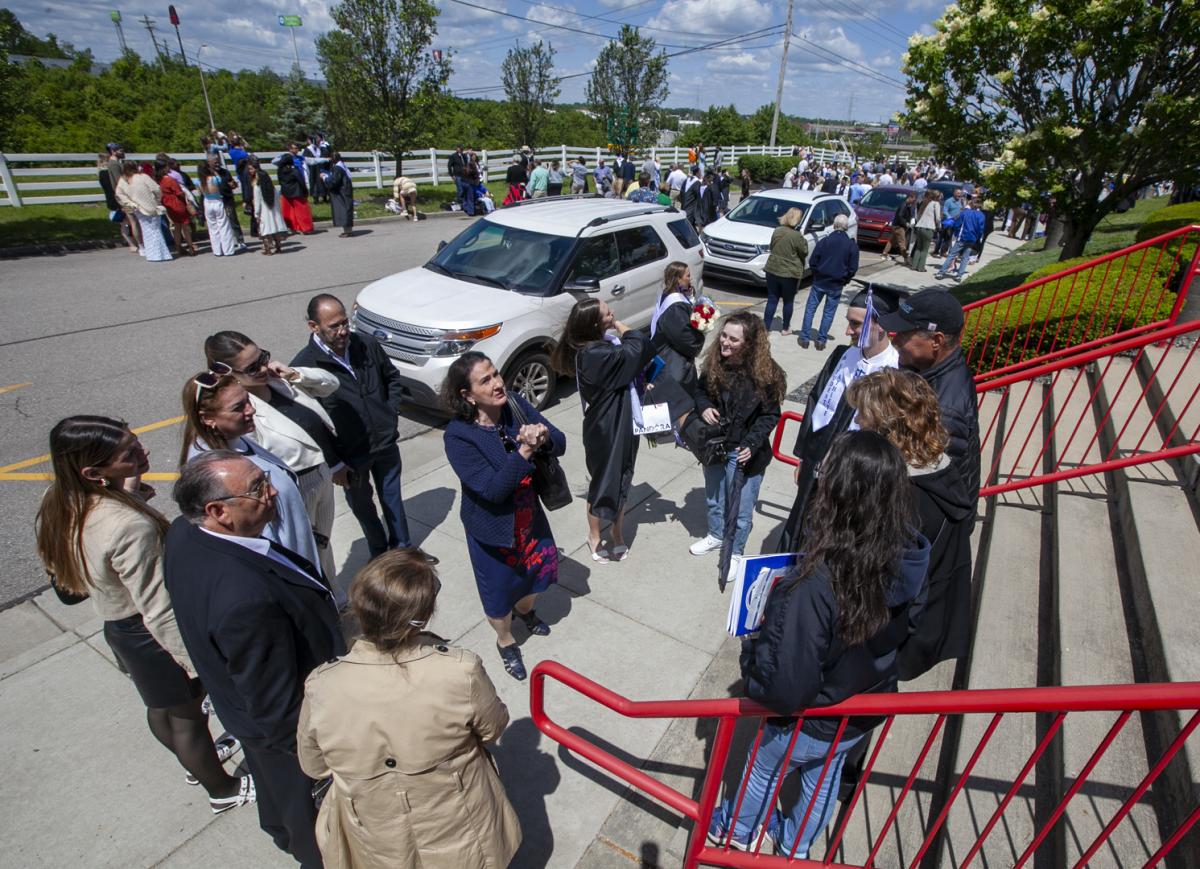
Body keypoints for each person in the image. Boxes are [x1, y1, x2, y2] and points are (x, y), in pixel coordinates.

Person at [707, 431, 930, 857]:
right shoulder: (909, 553)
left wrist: (754, 657)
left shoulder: (815, 585)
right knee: (823, 777)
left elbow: (786, 688)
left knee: (763, 768)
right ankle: (797, 847)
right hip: (863, 706)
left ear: (841, 494)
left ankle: (738, 831)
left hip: (813, 715)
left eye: (827, 471)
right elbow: (910, 625)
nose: (819, 476)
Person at [34, 417, 252, 815]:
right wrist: (194, 661)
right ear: (93, 472)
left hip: (119, 627)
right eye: (129, 453)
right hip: (151, 632)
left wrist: (131, 496)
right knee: (187, 716)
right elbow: (158, 604)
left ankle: (195, 764)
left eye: (137, 443)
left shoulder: (61, 500)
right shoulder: (129, 527)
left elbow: (72, 585)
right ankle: (222, 788)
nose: (143, 452)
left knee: (161, 708)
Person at [165, 452, 345, 869]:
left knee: (274, 792)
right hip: (285, 729)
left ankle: (280, 830)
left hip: (240, 707)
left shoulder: (183, 533)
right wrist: (316, 757)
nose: (272, 492)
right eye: (258, 488)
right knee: (307, 812)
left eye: (266, 479)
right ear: (217, 511)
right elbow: (278, 707)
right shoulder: (246, 600)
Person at [298, 550, 521, 868]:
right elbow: (493, 727)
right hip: (459, 820)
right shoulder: (460, 669)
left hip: (375, 834)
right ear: (425, 613)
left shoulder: (322, 684)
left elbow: (314, 764)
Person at [442, 353, 566, 680]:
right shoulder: (458, 436)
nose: (498, 383)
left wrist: (544, 437)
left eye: (496, 374)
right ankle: (505, 640)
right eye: (486, 380)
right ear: (466, 395)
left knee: (536, 577)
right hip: (492, 528)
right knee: (498, 594)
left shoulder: (514, 404)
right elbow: (493, 491)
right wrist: (524, 450)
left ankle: (526, 613)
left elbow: (561, 442)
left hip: (528, 518)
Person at [846, 369, 974, 680]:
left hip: (889, 642)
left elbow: (892, 588)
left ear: (890, 426)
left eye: (864, 415)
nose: (858, 423)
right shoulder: (937, 472)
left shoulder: (906, 500)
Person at [203, 331, 347, 586]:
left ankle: (336, 596)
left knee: (324, 544)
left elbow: (331, 384)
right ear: (229, 375)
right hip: (294, 485)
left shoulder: (278, 380)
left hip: (320, 475)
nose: (262, 367)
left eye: (263, 357)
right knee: (304, 551)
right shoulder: (245, 412)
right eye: (251, 367)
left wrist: (294, 373)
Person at [292, 294, 429, 562]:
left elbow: (391, 377)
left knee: (392, 499)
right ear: (313, 326)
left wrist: (389, 413)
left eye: (344, 322)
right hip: (350, 458)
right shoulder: (305, 367)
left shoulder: (365, 344)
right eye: (334, 326)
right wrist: (334, 464)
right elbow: (311, 424)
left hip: (385, 444)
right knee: (363, 508)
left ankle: (403, 551)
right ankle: (379, 555)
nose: (343, 331)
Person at [778, 285, 906, 552]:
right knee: (801, 518)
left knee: (832, 532)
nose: (848, 330)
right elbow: (815, 401)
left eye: (856, 324)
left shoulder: (896, 372)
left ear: (880, 325)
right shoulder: (842, 355)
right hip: (816, 458)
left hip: (851, 472)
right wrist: (804, 455)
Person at [551, 299, 656, 564]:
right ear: (595, 324)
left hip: (623, 419)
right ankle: (594, 535)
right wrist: (621, 326)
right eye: (607, 312)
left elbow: (632, 363)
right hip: (605, 427)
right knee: (602, 482)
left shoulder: (606, 344)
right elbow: (640, 346)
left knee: (622, 478)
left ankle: (617, 532)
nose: (613, 312)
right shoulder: (593, 354)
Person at [688, 312, 785, 558]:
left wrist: (752, 443)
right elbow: (700, 391)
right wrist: (704, 406)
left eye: (734, 339)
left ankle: (735, 551)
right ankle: (717, 535)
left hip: (744, 451)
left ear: (749, 344)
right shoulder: (715, 362)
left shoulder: (766, 373)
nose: (725, 342)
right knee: (714, 499)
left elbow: (770, 415)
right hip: (715, 446)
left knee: (741, 510)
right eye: (723, 335)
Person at [879, 289, 981, 500]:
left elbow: (920, 484)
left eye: (904, 334)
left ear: (937, 340)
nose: (895, 341)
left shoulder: (945, 410)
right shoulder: (923, 369)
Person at [646, 261, 704, 431]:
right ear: (677, 279)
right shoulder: (675, 306)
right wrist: (701, 334)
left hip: (667, 353)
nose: (690, 278)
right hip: (673, 360)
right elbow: (685, 339)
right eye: (687, 275)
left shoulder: (669, 294)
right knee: (680, 397)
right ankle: (679, 430)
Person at [799, 214, 860, 350]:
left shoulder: (825, 241)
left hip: (820, 281)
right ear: (846, 227)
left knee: (810, 309)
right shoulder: (851, 245)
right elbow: (853, 268)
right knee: (828, 313)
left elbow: (813, 261)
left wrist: (817, 274)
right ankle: (821, 340)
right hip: (836, 283)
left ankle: (804, 338)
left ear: (834, 225)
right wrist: (845, 279)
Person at [763, 208, 809, 335]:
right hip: (789, 273)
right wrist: (803, 238)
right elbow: (804, 252)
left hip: (772, 269)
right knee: (788, 301)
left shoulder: (777, 230)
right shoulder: (797, 235)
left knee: (772, 299)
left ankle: (765, 328)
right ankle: (785, 328)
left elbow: (772, 246)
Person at [115, 161, 172, 263]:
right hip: (149, 205)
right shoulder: (143, 177)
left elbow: (119, 194)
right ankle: (159, 254)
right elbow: (156, 188)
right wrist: (157, 199)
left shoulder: (123, 180)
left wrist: (130, 203)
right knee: (155, 230)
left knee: (147, 231)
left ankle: (152, 254)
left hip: (137, 208)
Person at [935, 196, 987, 282]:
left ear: (971, 203)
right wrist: (976, 238)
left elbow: (957, 224)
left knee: (952, 255)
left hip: (962, 237)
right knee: (965, 257)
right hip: (972, 238)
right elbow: (981, 229)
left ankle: (941, 272)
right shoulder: (981, 215)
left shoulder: (965, 213)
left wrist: (956, 233)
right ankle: (959, 275)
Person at [156, 160, 198, 257]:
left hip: (168, 205)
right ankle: (190, 246)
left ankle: (178, 247)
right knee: (185, 227)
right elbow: (179, 193)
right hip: (177, 204)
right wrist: (186, 200)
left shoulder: (159, 180)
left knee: (176, 227)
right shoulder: (170, 180)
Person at [246, 160, 287, 256]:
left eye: (251, 169)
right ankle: (278, 247)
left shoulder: (257, 187)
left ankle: (268, 249)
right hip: (274, 210)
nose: (250, 171)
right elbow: (277, 198)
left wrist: (256, 213)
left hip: (264, 212)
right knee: (275, 229)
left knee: (265, 230)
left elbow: (257, 202)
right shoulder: (272, 188)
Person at [197, 163, 238, 257]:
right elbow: (221, 181)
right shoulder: (215, 179)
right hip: (217, 201)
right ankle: (228, 250)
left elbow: (200, 192)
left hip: (207, 202)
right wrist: (214, 172)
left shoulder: (198, 181)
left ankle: (217, 250)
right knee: (223, 226)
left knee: (212, 228)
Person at [274, 145, 315, 234]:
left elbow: (280, 181)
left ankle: (292, 227)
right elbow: (301, 181)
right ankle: (305, 228)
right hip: (297, 191)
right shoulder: (294, 170)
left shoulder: (280, 170)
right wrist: (305, 191)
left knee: (289, 211)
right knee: (302, 211)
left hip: (285, 191)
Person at [323, 151, 354, 238]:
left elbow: (334, 182)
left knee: (343, 210)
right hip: (346, 191)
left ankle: (347, 231)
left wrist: (325, 178)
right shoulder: (342, 166)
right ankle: (348, 230)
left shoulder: (337, 168)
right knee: (347, 209)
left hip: (341, 193)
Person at [881, 192, 916, 265]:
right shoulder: (904, 205)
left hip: (895, 225)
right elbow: (900, 216)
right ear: (909, 198)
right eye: (913, 200)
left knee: (892, 240)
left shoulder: (908, 205)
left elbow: (909, 213)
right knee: (902, 243)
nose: (913, 202)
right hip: (899, 226)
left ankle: (884, 253)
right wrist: (905, 223)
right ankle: (906, 259)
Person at [910, 190, 941, 272]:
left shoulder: (927, 203)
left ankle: (914, 265)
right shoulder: (936, 204)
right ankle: (921, 267)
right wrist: (939, 226)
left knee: (918, 248)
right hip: (928, 227)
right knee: (924, 249)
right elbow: (937, 218)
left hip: (920, 226)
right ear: (938, 197)